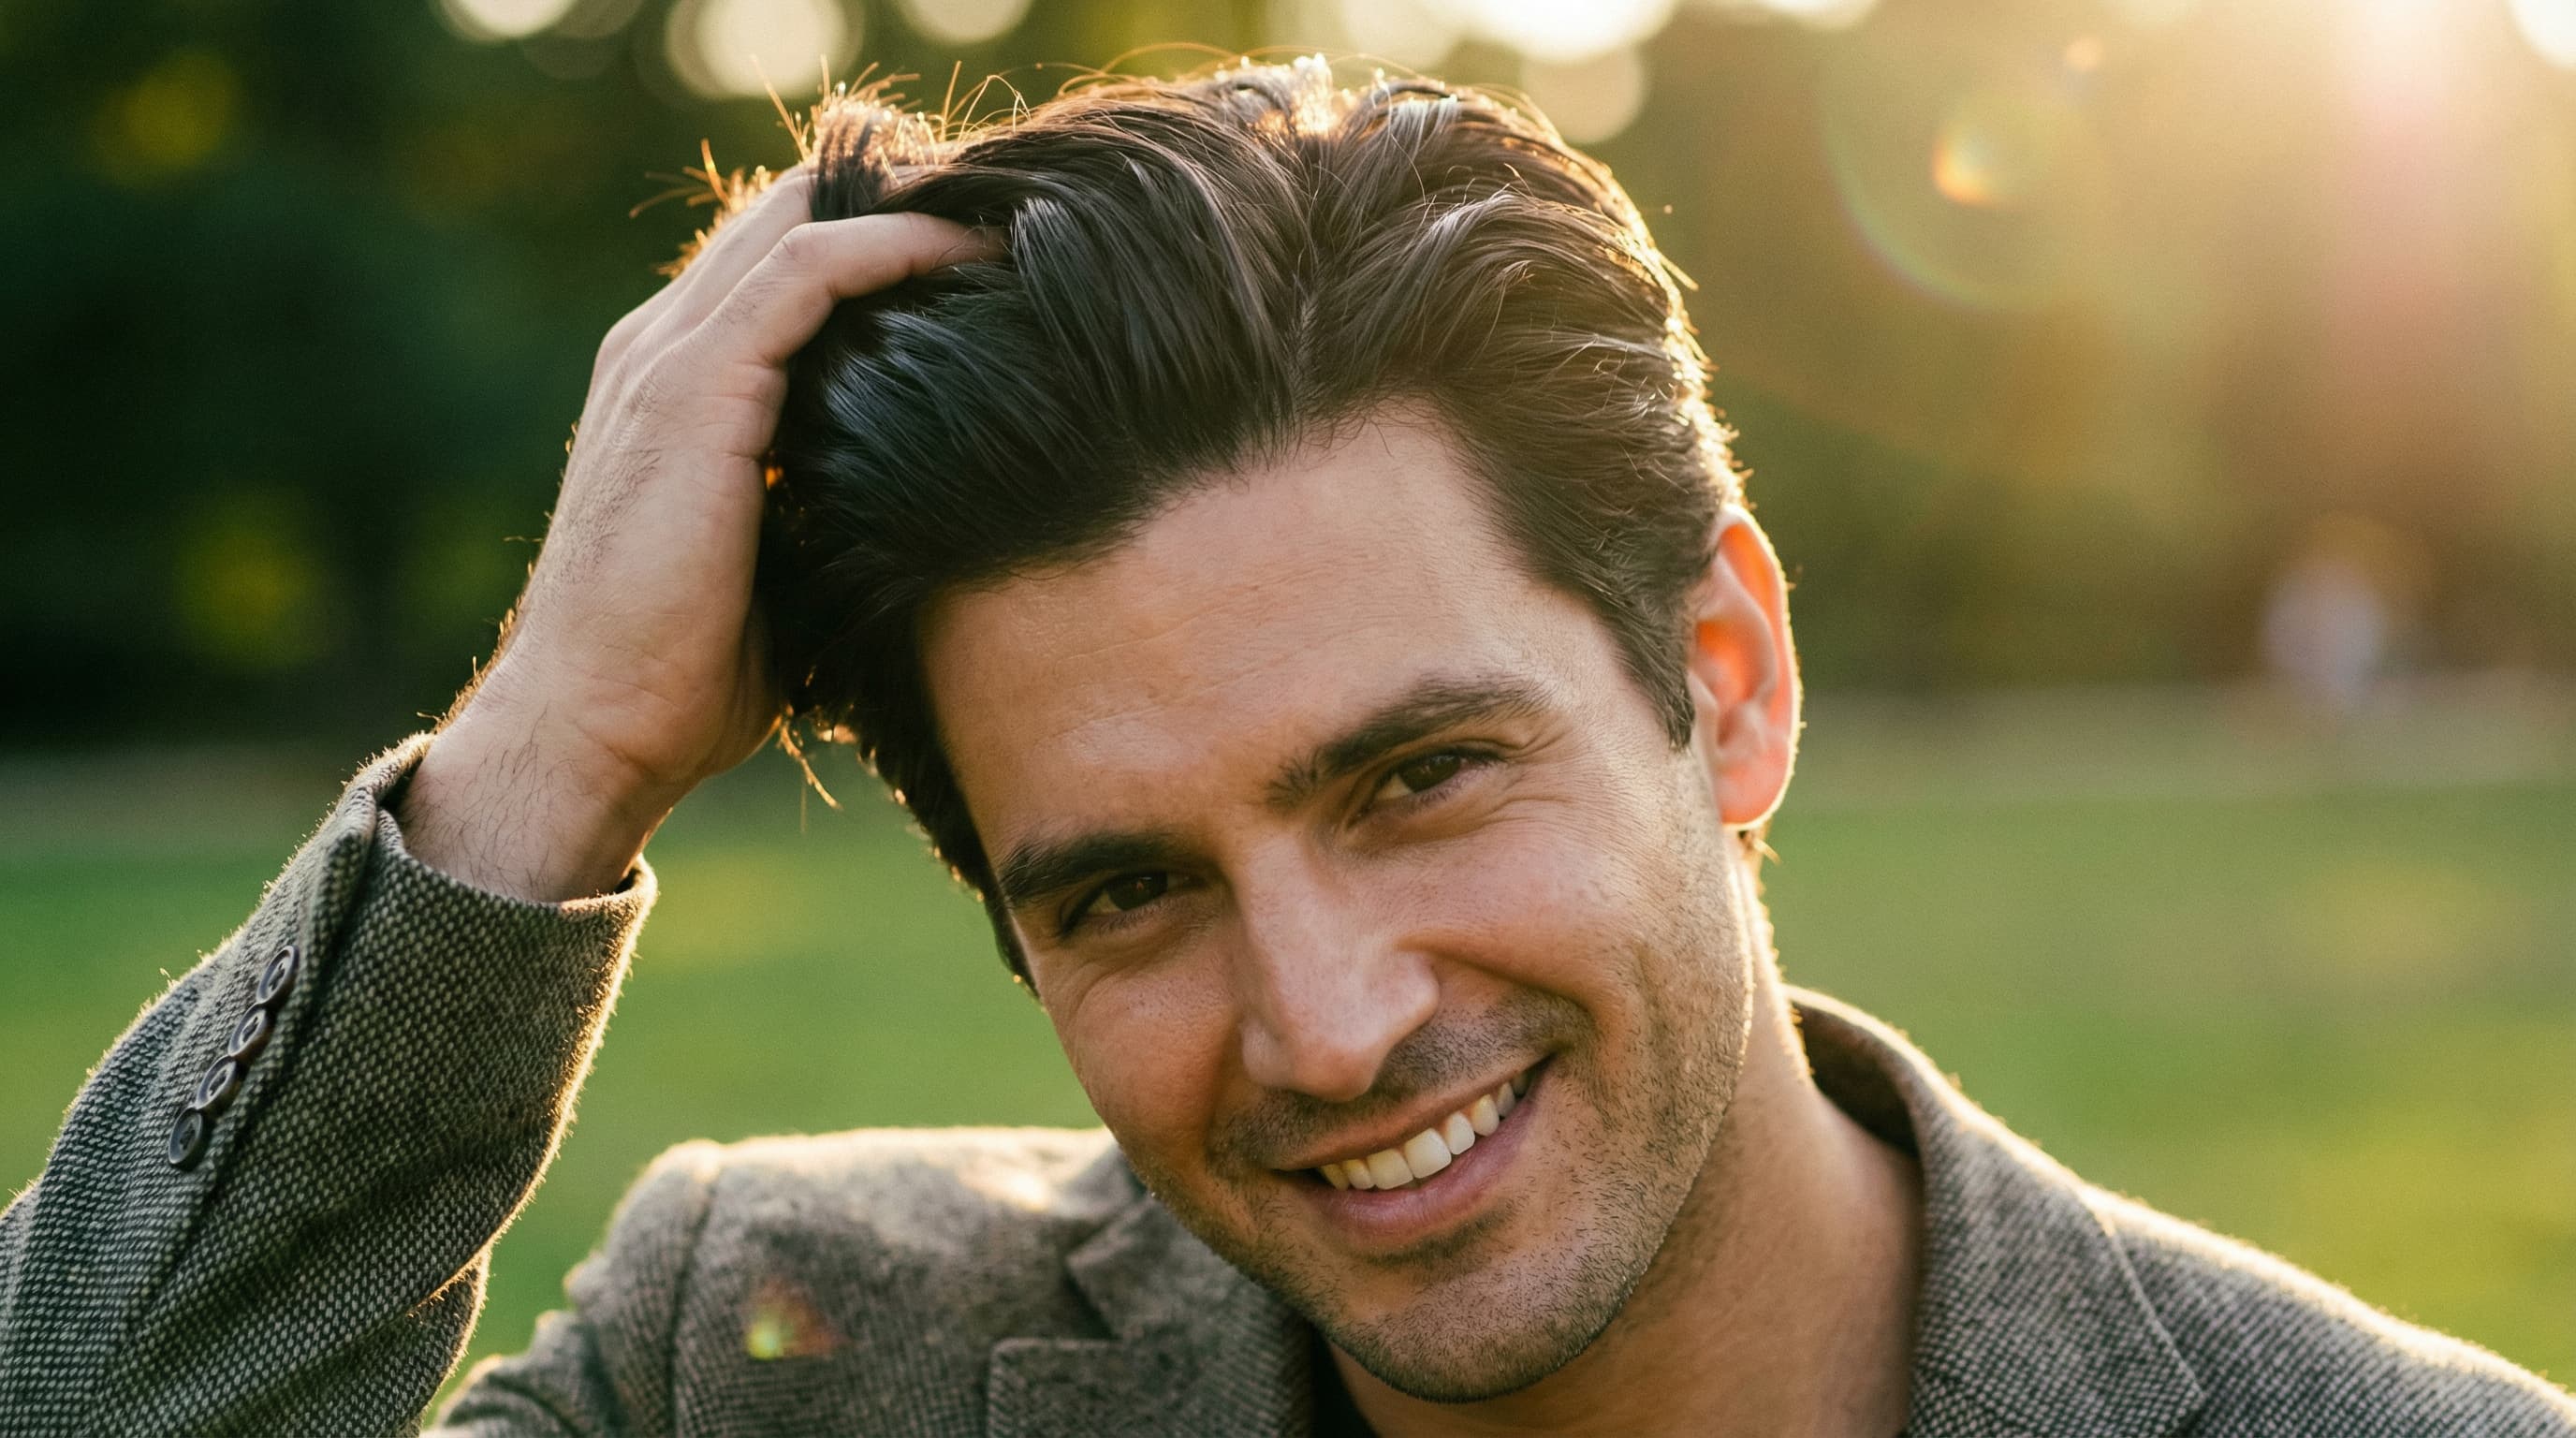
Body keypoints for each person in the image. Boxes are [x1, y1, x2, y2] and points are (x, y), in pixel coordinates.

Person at [1, 57, 2567, 1438]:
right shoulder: (775, 1365)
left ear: (1724, 678)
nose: (1329, 1029)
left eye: (1418, 777)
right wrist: (546, 755)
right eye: (1127, 891)